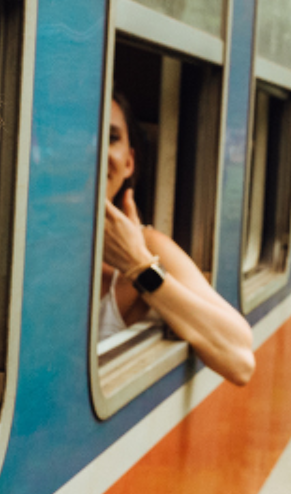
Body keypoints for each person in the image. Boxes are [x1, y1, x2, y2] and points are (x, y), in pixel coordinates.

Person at [97, 95, 255, 386]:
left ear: (129, 162)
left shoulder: (148, 246)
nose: (96, 152)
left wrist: (138, 265)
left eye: (111, 137)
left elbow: (240, 358)